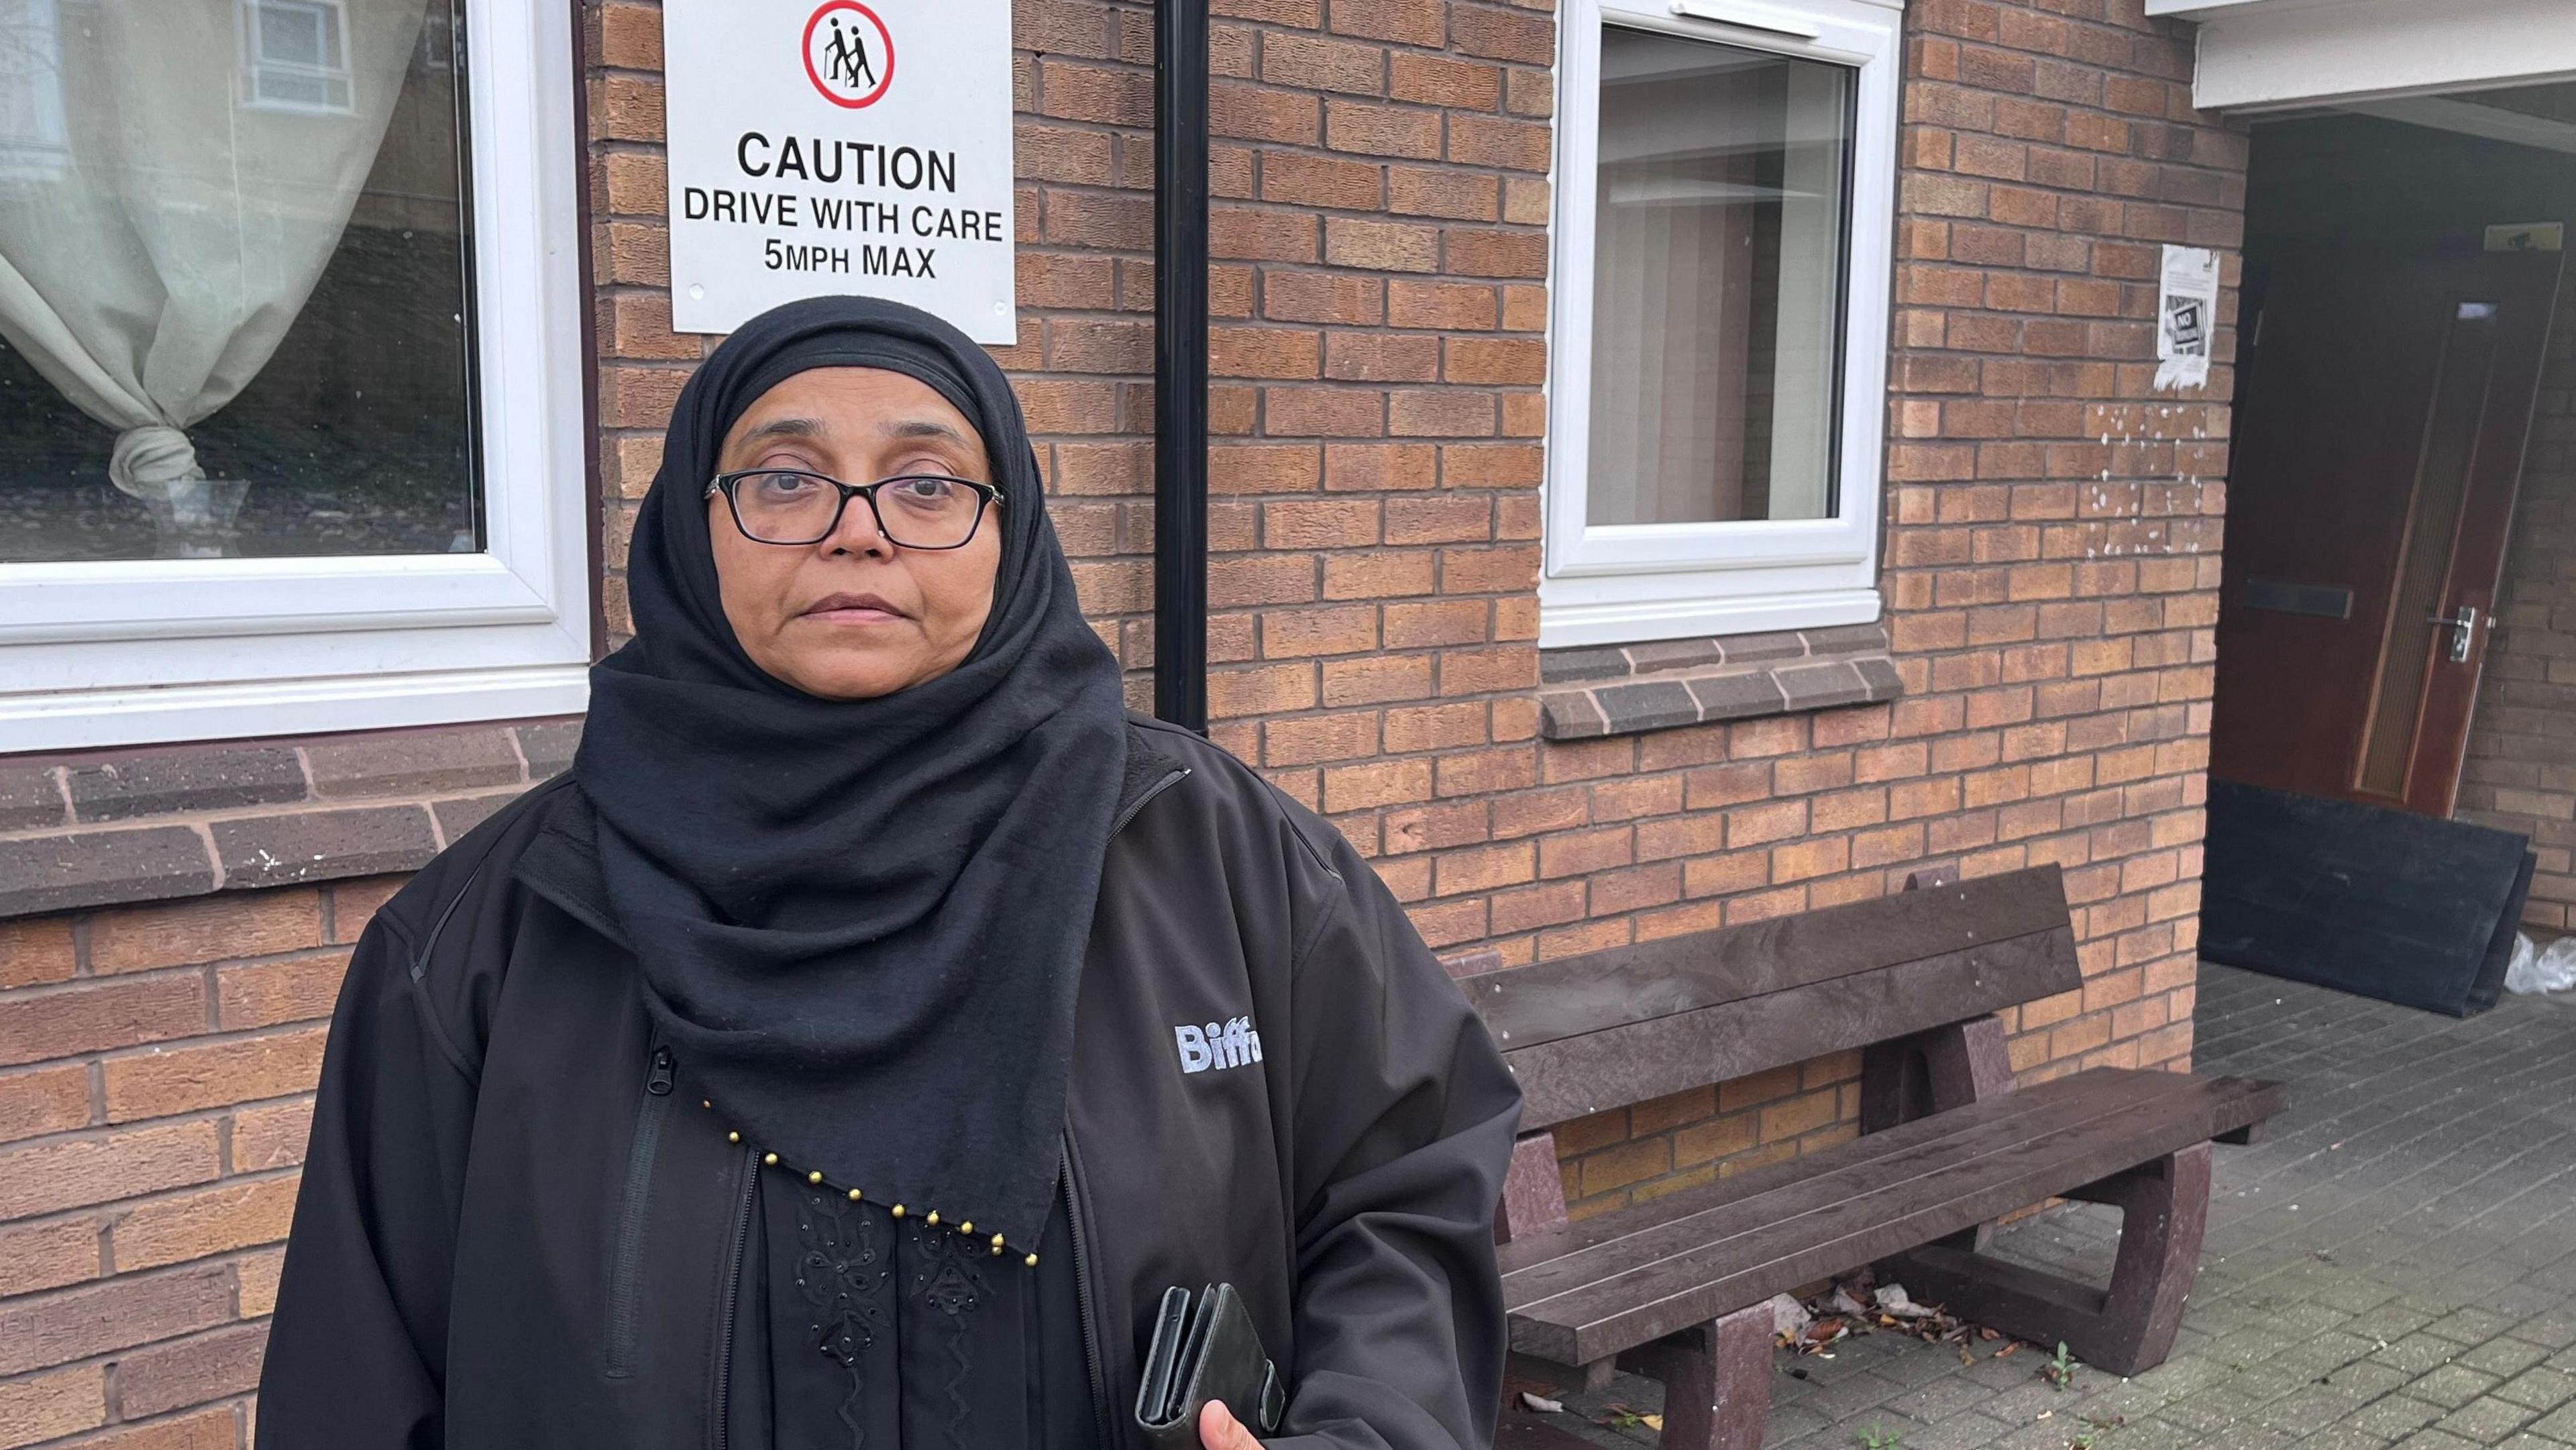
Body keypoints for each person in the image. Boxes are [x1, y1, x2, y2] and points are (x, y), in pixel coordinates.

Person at [254, 295, 1522, 1450]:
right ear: (695, 527)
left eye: (926, 483)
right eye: (787, 477)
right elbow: (355, 1387)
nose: (858, 533)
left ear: (1008, 531)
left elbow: (1404, 1185)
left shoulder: (1221, 857)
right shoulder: (483, 943)